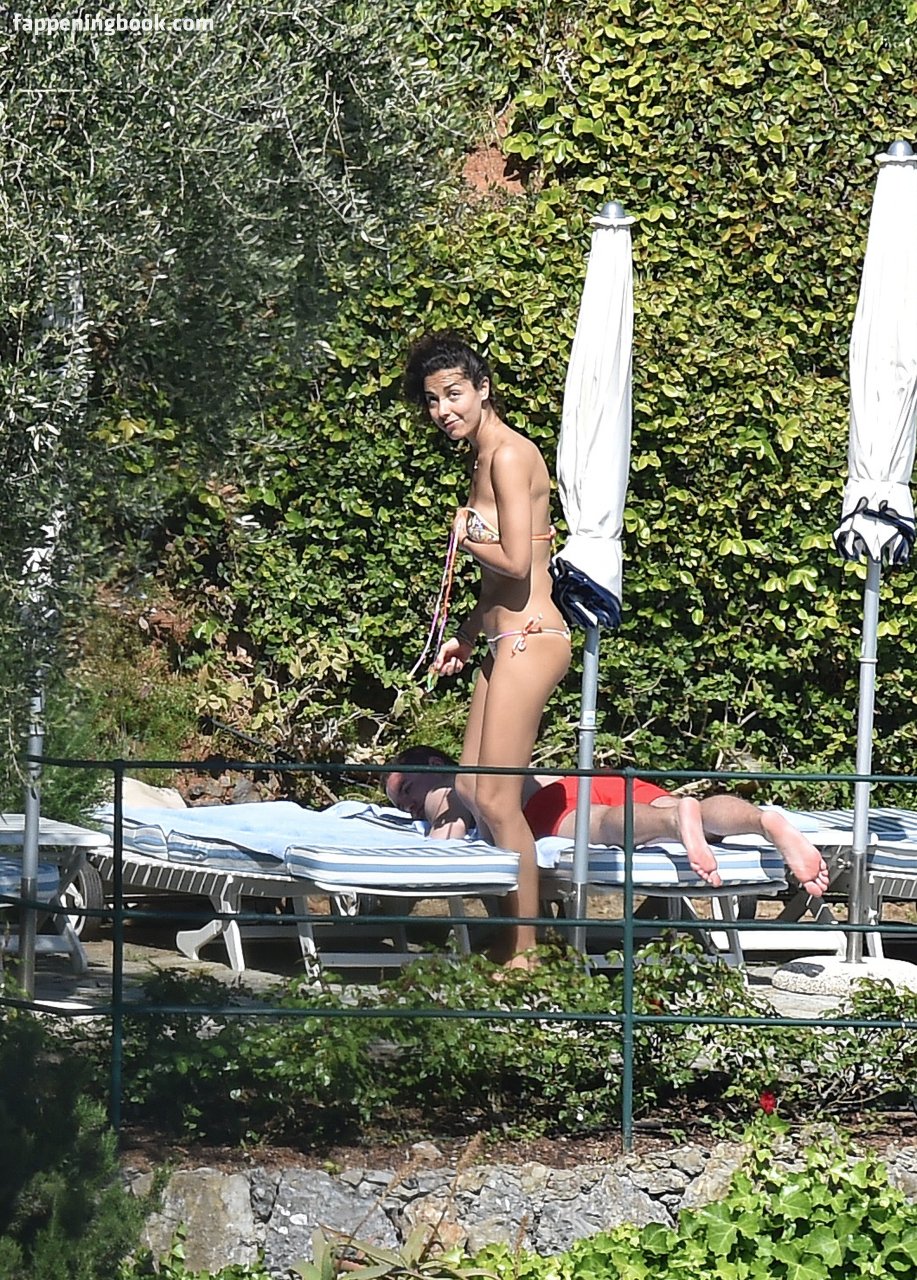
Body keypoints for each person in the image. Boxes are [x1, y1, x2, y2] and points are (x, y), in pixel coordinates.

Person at [403, 333, 573, 967]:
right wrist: (468, 635)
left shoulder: (506, 455)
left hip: (532, 638)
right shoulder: (483, 456)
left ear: (482, 389)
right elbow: (500, 584)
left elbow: (518, 561)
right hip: (502, 637)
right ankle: (515, 939)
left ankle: (523, 953)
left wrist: (464, 534)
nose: (443, 410)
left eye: (453, 394)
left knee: (498, 799)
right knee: (473, 789)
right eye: (432, 400)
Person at [383, 745, 831, 898]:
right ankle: (762, 820)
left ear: (435, 765)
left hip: (547, 806)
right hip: (589, 779)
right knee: (687, 805)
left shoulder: (459, 783)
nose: (410, 806)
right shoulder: (486, 765)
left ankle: (674, 825)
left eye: (407, 791)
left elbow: (446, 841)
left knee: (604, 826)